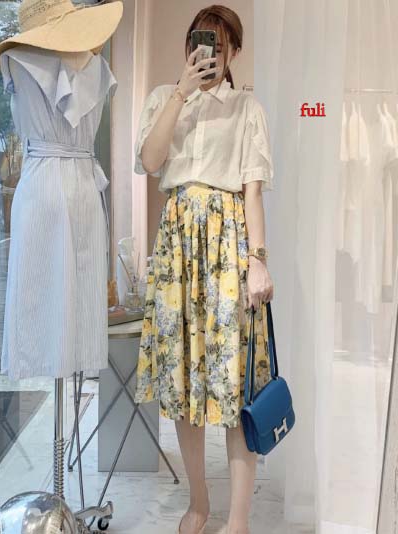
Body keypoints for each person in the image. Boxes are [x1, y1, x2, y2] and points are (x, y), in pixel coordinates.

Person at [133, 5, 274, 534]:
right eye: (201, 41)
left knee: (233, 385)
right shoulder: (162, 99)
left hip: (226, 248)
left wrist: (258, 262)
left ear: (233, 51)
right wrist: (181, 93)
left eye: (220, 44)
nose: (209, 53)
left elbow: (253, 192)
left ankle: (238, 520)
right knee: (182, 382)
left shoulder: (247, 107)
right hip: (177, 250)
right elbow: (150, 162)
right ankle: (199, 503)